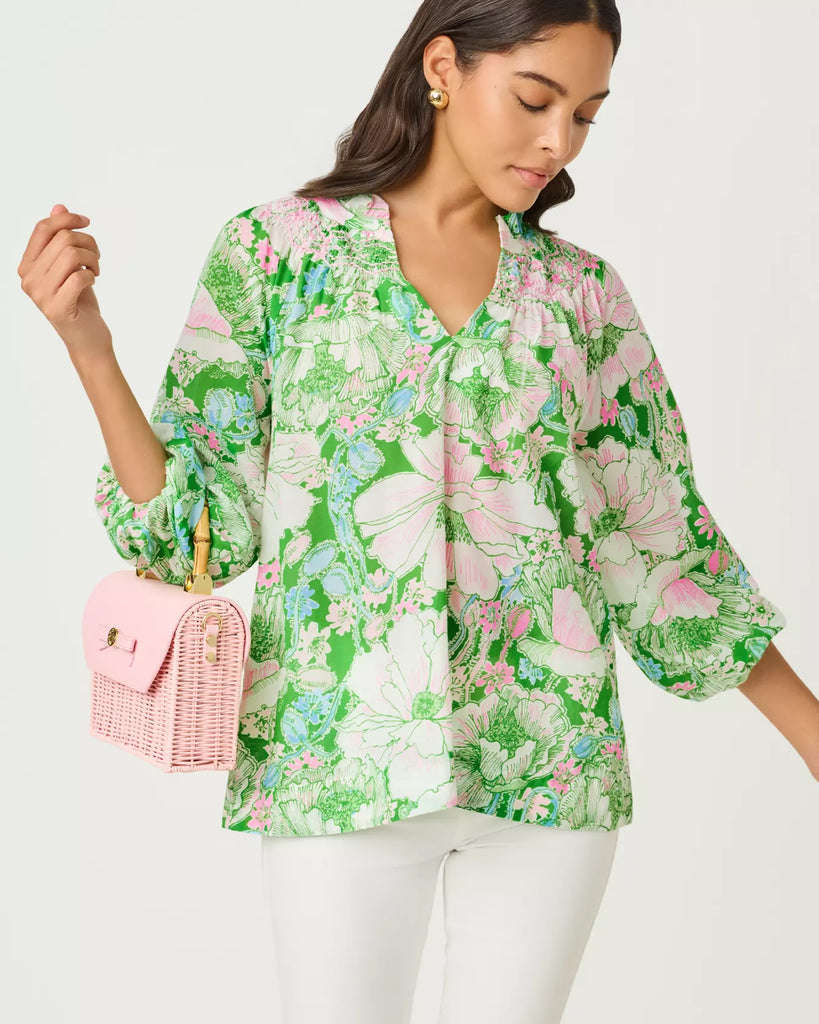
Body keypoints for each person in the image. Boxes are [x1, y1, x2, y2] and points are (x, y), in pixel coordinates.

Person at [18, 1, 817, 1022]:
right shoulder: (277, 254)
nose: (559, 141)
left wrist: (812, 735)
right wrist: (89, 346)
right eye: (535, 99)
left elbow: (662, 542)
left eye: (585, 115)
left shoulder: (583, 297)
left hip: (549, 767)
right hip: (335, 763)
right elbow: (198, 535)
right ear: (442, 67)